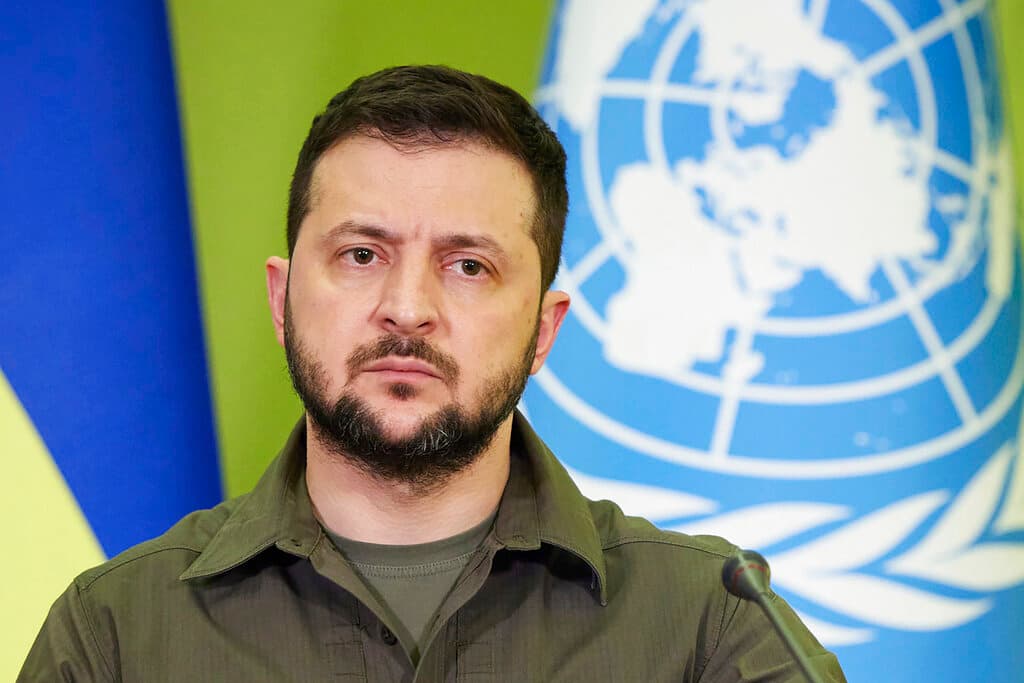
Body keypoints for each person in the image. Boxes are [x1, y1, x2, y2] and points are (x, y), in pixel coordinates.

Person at [20, 65, 845, 682]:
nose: (407, 308)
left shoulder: (710, 627)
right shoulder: (116, 633)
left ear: (543, 329)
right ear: (281, 299)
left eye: (469, 266)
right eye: (362, 254)